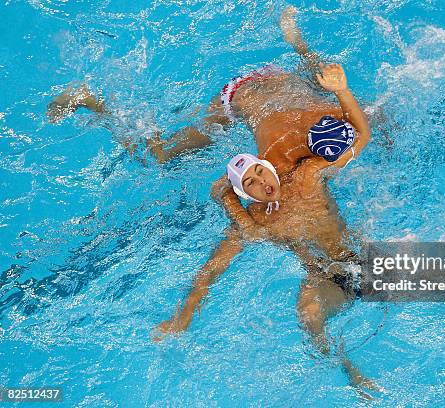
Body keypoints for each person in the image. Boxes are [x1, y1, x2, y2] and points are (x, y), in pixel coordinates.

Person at [154, 60, 377, 395]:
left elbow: (361, 136)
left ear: (267, 167)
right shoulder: (256, 219)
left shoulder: (307, 175)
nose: (261, 182)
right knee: (308, 311)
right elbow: (211, 270)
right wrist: (182, 318)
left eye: (260, 172)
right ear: (246, 194)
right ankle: (351, 374)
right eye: (251, 184)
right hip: (329, 277)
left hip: (360, 260)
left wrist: (343, 91)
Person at [46, 7, 367, 176]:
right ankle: (90, 98)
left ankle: (298, 44)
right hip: (238, 97)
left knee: (326, 78)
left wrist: (343, 93)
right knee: (160, 156)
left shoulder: (339, 114)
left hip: (275, 79)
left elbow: (361, 131)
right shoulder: (278, 157)